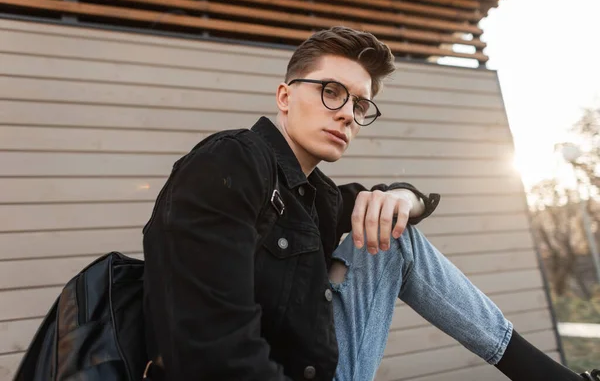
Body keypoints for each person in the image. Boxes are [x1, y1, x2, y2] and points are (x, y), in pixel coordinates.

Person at [142, 26, 597, 381]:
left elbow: (405, 203)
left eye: (361, 105)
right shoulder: (232, 160)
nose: (347, 114)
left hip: (315, 367)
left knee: (392, 233)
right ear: (285, 96)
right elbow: (210, 350)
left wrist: (403, 196)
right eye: (332, 92)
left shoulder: (316, 194)